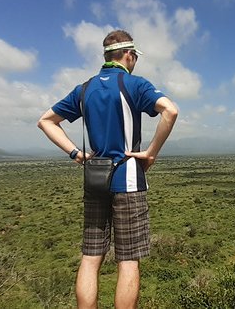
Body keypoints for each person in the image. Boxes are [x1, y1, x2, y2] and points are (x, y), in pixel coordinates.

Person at [37, 30, 178, 309]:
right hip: (127, 179)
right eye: (134, 56)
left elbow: (46, 121)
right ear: (128, 54)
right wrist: (151, 153)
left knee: (91, 258)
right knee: (127, 261)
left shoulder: (85, 89)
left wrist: (76, 153)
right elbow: (170, 111)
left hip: (95, 180)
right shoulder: (134, 84)